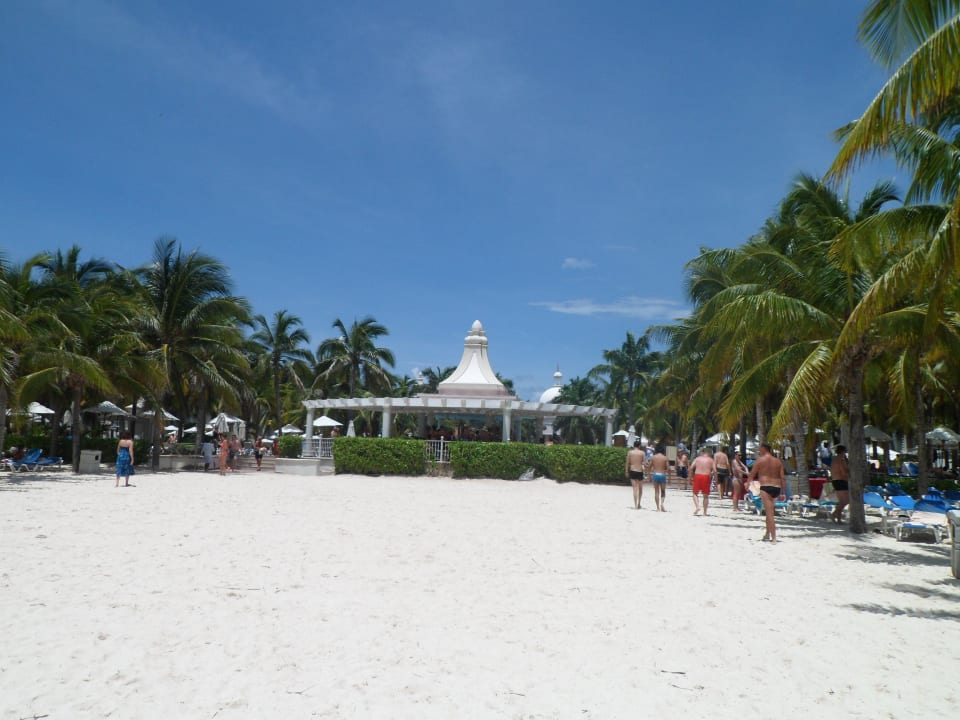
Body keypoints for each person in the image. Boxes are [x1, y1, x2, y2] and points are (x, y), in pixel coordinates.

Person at [748, 443, 786, 542]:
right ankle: (767, 534)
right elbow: (782, 478)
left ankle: (774, 538)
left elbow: (752, 474)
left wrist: (748, 484)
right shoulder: (778, 461)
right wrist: (783, 493)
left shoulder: (760, 460)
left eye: (760, 449)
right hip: (776, 487)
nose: (759, 450)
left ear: (764, 449)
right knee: (769, 511)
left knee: (770, 514)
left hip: (765, 487)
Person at [689, 447, 716, 516]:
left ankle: (697, 507)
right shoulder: (711, 460)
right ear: (709, 453)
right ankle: (705, 512)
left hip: (697, 475)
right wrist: (716, 480)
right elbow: (715, 471)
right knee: (706, 496)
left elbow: (691, 468)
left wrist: (690, 478)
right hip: (706, 476)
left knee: (695, 493)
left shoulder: (697, 459)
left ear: (703, 453)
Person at [830, 444, 850, 524]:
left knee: (842, 501)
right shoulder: (841, 460)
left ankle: (837, 518)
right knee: (845, 501)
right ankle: (835, 515)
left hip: (835, 481)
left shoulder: (834, 459)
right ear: (843, 452)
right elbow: (844, 472)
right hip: (841, 481)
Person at [648, 444, 671, 512]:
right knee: (663, 491)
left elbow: (649, 467)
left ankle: (657, 508)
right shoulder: (665, 458)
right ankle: (662, 504)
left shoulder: (653, 457)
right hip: (662, 474)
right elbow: (668, 468)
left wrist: (649, 476)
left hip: (655, 474)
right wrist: (669, 478)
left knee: (656, 492)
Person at [625, 439, 646, 509]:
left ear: (634, 445)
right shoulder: (642, 453)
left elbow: (627, 463)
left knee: (635, 489)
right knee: (640, 489)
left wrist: (626, 471)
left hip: (632, 470)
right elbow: (644, 463)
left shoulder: (630, 452)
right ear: (639, 446)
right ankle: (639, 503)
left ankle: (635, 505)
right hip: (640, 471)